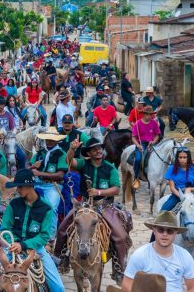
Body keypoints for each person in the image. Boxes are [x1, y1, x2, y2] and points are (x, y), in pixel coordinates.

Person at [54, 138, 127, 271]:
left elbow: (116, 189)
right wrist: (72, 149)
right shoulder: (83, 164)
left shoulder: (110, 168)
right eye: (94, 149)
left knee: (120, 236)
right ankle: (59, 260)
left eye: (99, 148)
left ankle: (120, 269)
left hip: (104, 205)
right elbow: (69, 161)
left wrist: (98, 191)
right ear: (89, 153)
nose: (98, 151)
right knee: (62, 229)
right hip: (84, 205)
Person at [160, 148, 194, 260]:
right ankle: (153, 242)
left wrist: (189, 189)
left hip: (191, 198)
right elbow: (171, 187)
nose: (182, 159)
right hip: (176, 197)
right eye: (180, 157)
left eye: (184, 157)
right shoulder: (172, 169)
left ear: (188, 158)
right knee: (161, 215)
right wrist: (181, 196)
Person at [29, 128, 67, 216]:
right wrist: (33, 166)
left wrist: (39, 173)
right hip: (37, 183)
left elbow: (60, 175)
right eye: (47, 139)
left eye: (52, 140)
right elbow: (29, 170)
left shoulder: (62, 154)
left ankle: (52, 230)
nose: (49, 142)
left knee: (52, 208)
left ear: (57, 140)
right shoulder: (39, 153)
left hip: (53, 185)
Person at [131, 106, 162, 190]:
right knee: (138, 159)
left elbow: (157, 135)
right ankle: (136, 177)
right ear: (144, 114)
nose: (150, 116)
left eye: (151, 115)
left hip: (152, 143)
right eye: (148, 115)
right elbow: (133, 137)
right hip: (141, 144)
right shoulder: (137, 124)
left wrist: (153, 142)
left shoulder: (154, 123)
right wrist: (138, 145)